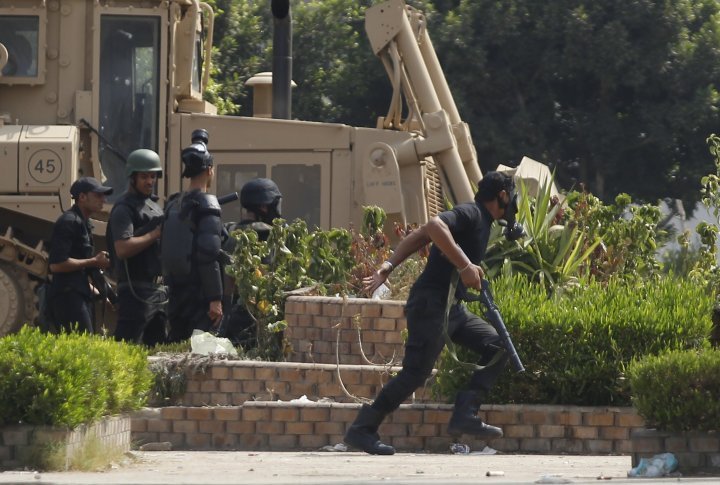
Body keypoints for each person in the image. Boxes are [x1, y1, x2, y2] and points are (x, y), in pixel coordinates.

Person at [344, 171, 520, 455]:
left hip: (453, 309)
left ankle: (466, 413)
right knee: (415, 374)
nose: (513, 203)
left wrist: (389, 265)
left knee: (498, 345)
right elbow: (434, 225)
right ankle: (362, 430)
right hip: (431, 305)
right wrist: (465, 265)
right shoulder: (472, 213)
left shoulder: (482, 221)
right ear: (502, 196)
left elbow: (420, 235)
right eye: (511, 196)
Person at [163, 129, 225, 342]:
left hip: (175, 292)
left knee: (176, 347)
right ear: (209, 170)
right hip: (200, 297)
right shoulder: (208, 204)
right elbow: (208, 254)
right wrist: (215, 298)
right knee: (202, 352)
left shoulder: (173, 203)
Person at [107, 148, 167, 346]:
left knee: (157, 350)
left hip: (157, 289)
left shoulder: (153, 206)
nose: (150, 181)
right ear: (132, 177)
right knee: (126, 348)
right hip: (136, 289)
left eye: (153, 176)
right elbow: (122, 248)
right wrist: (154, 234)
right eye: (144, 176)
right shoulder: (124, 208)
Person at [219, 178, 283, 347]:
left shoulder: (230, 230)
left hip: (228, 313)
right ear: (264, 206)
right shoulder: (266, 235)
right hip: (254, 315)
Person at [47, 177, 113, 333]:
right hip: (68, 297)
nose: (103, 199)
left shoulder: (84, 223)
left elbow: (86, 269)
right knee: (83, 345)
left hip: (78, 294)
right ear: (82, 197)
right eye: (98, 195)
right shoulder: (68, 221)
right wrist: (94, 261)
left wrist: (107, 296)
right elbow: (56, 265)